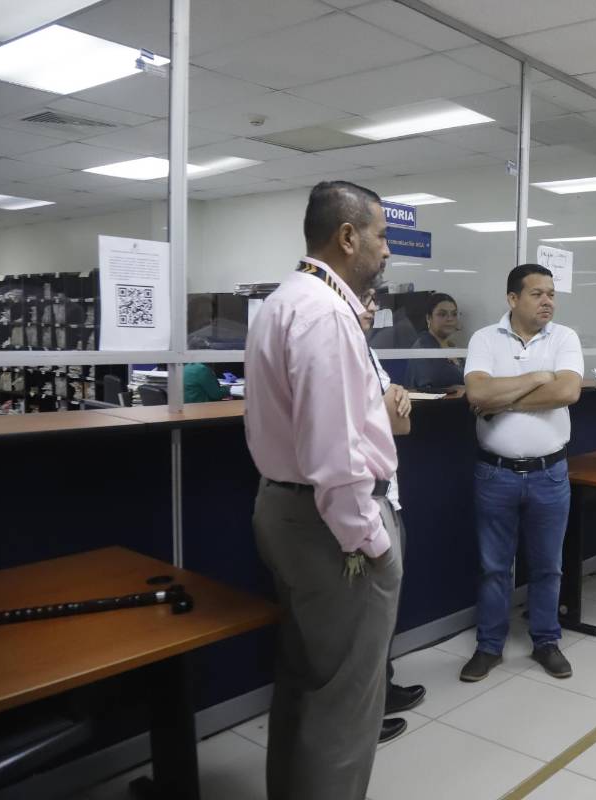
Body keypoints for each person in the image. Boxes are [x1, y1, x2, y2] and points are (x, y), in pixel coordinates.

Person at [244, 181, 400, 800]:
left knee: (307, 678)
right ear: (347, 236)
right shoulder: (326, 314)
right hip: (331, 528)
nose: (387, 250)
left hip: (286, 510)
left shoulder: (285, 300)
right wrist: (373, 542)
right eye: (382, 235)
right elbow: (334, 455)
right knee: (344, 702)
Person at [460, 264, 584, 683]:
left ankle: (546, 641)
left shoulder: (565, 337)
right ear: (513, 299)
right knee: (494, 567)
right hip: (496, 475)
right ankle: (489, 646)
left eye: (551, 293)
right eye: (537, 293)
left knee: (549, 565)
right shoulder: (484, 339)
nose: (548, 300)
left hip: (550, 474)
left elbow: (567, 391)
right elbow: (477, 392)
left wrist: (502, 399)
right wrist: (534, 377)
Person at [358, 287, 426, 745]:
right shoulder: (333, 353)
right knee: (360, 618)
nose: (369, 309)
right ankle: (360, 717)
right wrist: (389, 406)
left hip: (387, 496)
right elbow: (388, 417)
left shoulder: (365, 351)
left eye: (371, 301)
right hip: (358, 502)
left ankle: (381, 690)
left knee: (382, 611)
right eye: (359, 300)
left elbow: (400, 417)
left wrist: (390, 405)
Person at [405, 292, 466, 393]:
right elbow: (430, 386)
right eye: (442, 314)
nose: (450, 319)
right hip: (433, 407)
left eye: (454, 314)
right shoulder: (423, 347)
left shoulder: (452, 347)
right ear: (428, 318)